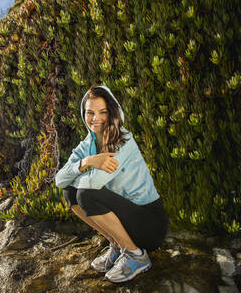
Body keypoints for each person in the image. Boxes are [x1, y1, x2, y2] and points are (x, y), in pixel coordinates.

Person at [55, 85, 168, 283]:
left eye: (102, 112)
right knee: (70, 192)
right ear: (84, 114)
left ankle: (136, 256)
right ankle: (117, 244)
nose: (95, 118)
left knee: (85, 194)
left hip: (150, 223)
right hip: (127, 220)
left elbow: (95, 182)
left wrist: (81, 173)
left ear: (112, 113)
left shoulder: (122, 141)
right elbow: (60, 180)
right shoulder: (86, 145)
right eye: (90, 112)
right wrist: (87, 162)